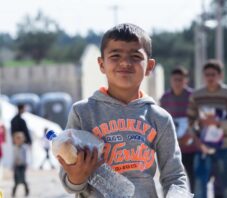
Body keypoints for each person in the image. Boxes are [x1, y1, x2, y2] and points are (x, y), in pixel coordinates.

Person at [57, 23, 188, 197]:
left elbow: (174, 176)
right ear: (101, 64)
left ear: (149, 66)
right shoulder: (82, 113)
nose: (125, 62)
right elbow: (69, 181)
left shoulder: (159, 118)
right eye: (115, 55)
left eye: (135, 56)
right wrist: (76, 177)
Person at [187, 59, 227, 198]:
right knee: (199, 185)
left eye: (213, 74)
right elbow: (191, 121)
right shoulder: (197, 95)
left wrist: (216, 123)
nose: (210, 77)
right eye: (207, 74)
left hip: (225, 146)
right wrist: (197, 138)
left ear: (220, 75)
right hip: (202, 147)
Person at [160, 67, 198, 192]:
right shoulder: (165, 98)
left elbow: (198, 119)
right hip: (172, 148)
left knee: (193, 178)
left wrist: (191, 135)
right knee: (172, 180)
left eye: (180, 80)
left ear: (185, 80)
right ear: (171, 80)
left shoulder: (193, 97)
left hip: (191, 146)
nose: (177, 82)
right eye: (175, 80)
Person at [12, 132, 29, 197]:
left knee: (23, 180)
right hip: (16, 166)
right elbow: (13, 157)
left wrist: (25, 164)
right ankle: (13, 193)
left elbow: (25, 157)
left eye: (19, 139)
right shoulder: (14, 148)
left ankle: (27, 190)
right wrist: (13, 165)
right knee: (16, 181)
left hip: (22, 166)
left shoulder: (24, 148)